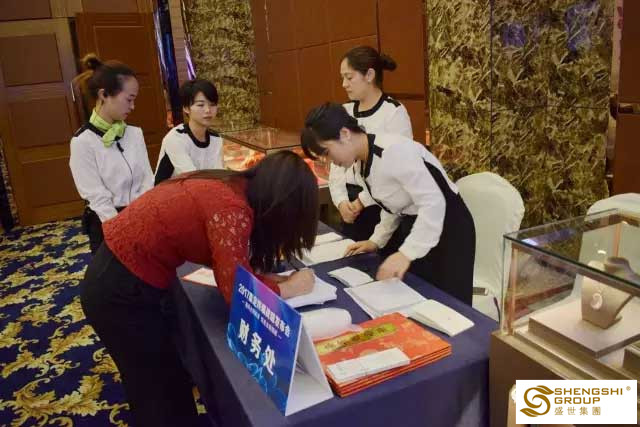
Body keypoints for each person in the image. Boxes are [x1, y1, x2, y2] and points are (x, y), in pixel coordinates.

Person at [80, 151, 318, 427]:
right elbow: (237, 293)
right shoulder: (231, 208)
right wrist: (292, 288)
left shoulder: (231, 185)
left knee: (163, 376)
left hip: (119, 276)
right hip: (119, 292)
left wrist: (270, 280)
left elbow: (229, 262)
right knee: (156, 386)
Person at [302, 103, 475, 305]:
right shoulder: (361, 161)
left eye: (326, 152)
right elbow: (393, 203)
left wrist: (406, 254)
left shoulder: (393, 151)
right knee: (420, 301)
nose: (329, 161)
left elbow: (433, 203)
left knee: (450, 307)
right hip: (416, 226)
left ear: (345, 134)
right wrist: (376, 241)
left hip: (448, 227)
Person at [69, 58, 153, 254]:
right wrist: (121, 229)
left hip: (141, 216)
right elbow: (96, 196)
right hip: (107, 223)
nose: (133, 106)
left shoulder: (135, 133)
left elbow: (147, 179)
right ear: (104, 95)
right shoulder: (83, 142)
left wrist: (144, 217)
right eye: (129, 99)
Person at [331, 46, 413, 242]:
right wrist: (341, 201)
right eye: (342, 78)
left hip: (381, 208)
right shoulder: (344, 110)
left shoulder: (393, 112)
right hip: (349, 206)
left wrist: (362, 201)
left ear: (369, 75)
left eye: (349, 77)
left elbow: (397, 174)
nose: (344, 84)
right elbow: (337, 164)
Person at [154, 79, 223, 185]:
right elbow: (192, 179)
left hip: (201, 190)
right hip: (168, 192)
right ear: (186, 108)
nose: (208, 110)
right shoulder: (175, 138)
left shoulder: (216, 139)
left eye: (212, 104)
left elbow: (219, 175)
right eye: (200, 105)